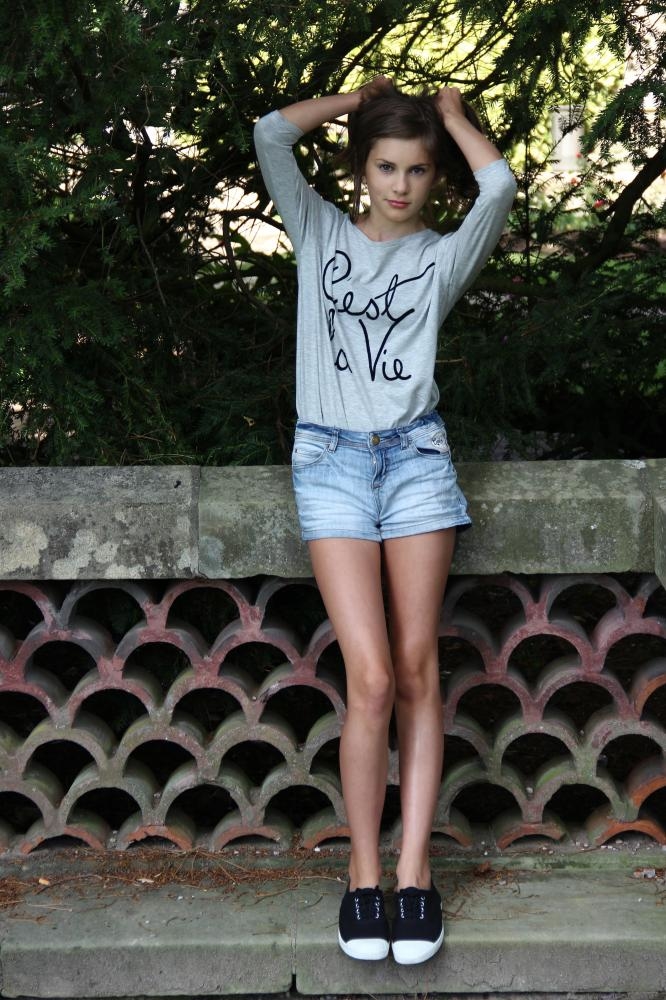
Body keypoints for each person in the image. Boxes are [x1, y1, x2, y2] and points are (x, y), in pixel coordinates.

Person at [254, 76, 516, 965]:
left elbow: (500, 186)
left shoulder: (442, 257)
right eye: (385, 166)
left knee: (414, 669)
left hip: (416, 464)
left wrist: (451, 117)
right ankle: (362, 874)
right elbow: (269, 136)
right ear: (361, 169)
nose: (400, 185)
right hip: (330, 463)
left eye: (417, 169)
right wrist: (348, 103)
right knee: (367, 679)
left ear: (434, 176)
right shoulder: (320, 231)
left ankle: (414, 874)